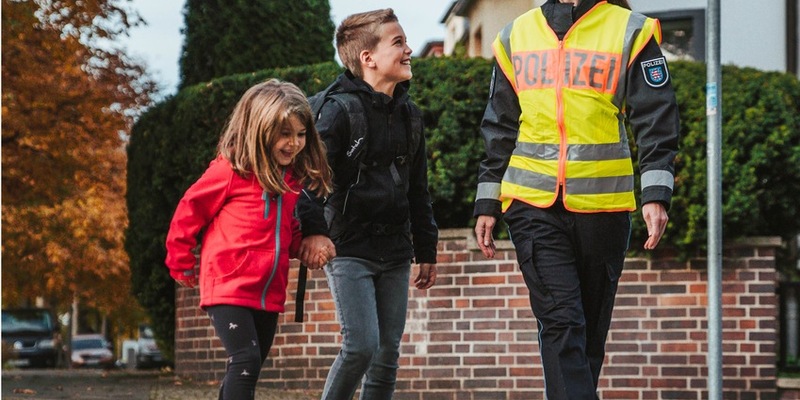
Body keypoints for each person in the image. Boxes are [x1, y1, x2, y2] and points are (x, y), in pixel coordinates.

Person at [473, 0, 680, 398]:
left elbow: (656, 117)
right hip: (531, 204)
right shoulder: (514, 35)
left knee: (588, 332)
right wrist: (488, 201)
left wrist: (656, 193)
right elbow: (498, 123)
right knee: (562, 322)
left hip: (604, 207)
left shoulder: (632, 31)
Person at [296, 8, 439, 400]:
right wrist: (313, 232)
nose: (409, 50)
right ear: (368, 57)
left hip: (395, 250)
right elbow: (308, 180)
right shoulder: (337, 111)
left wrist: (426, 248)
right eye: (399, 43)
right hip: (349, 247)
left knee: (386, 354)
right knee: (361, 346)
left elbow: (418, 189)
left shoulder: (409, 115)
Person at [164, 79, 332, 400]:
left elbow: (287, 230)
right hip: (228, 285)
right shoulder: (230, 172)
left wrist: (303, 248)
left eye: (300, 134)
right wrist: (180, 259)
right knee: (245, 361)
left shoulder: (289, 180)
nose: (293, 143)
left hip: (267, 291)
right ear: (258, 129)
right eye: (284, 134)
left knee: (245, 368)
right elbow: (189, 210)